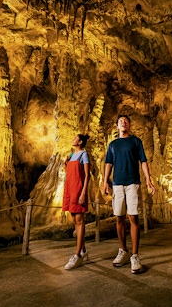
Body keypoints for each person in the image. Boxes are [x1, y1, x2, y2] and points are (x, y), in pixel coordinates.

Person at [103, 114, 155, 274]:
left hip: (132, 183)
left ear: (129, 125)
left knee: (133, 217)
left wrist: (148, 179)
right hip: (117, 184)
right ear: (117, 126)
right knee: (119, 217)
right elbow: (108, 163)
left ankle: (135, 255)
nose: (123, 123)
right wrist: (105, 181)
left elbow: (143, 161)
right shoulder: (112, 145)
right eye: (120, 121)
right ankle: (123, 250)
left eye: (126, 121)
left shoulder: (136, 142)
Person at [63, 133, 91, 270]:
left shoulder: (83, 155)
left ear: (80, 142)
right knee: (75, 222)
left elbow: (86, 176)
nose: (72, 139)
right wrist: (64, 163)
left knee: (80, 221)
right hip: (70, 189)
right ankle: (84, 251)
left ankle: (77, 255)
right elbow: (69, 174)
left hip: (79, 190)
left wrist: (84, 193)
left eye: (75, 138)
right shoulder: (71, 155)